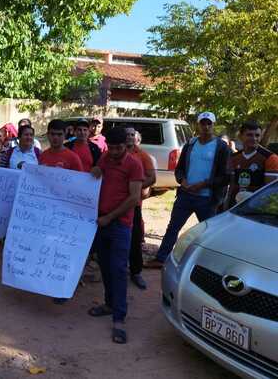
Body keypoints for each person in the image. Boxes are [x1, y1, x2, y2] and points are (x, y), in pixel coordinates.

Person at [145, 111, 231, 268]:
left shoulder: (221, 147)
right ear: (198, 125)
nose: (206, 126)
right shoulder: (191, 144)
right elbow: (179, 169)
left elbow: (226, 176)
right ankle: (161, 258)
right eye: (203, 123)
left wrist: (204, 184)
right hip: (186, 195)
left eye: (209, 123)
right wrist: (182, 181)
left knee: (208, 234)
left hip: (207, 199)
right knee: (173, 227)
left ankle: (209, 265)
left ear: (213, 125)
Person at [88, 126, 144, 345]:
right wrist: (95, 170)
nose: (113, 151)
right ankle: (109, 304)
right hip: (101, 222)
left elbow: (133, 198)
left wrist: (109, 217)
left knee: (119, 269)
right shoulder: (106, 157)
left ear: (126, 146)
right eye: (110, 147)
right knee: (104, 265)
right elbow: (97, 173)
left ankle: (119, 318)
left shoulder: (134, 164)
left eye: (118, 147)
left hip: (119, 224)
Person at [39, 119, 85, 304]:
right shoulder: (43, 156)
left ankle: (62, 289)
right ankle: (48, 283)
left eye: (59, 135)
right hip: (47, 213)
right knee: (48, 249)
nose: (56, 138)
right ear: (48, 135)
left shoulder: (73, 158)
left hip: (66, 214)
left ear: (64, 136)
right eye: (53, 134)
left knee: (63, 252)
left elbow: (82, 186)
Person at [125, 126, 156, 290]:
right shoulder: (113, 153)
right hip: (115, 204)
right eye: (127, 134)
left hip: (134, 205)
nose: (129, 137)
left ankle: (136, 272)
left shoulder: (143, 156)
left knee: (135, 239)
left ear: (136, 138)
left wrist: (135, 188)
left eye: (132, 135)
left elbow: (152, 177)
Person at [226, 121, 278, 208]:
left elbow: (270, 191)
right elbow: (232, 185)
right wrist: (227, 204)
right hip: (234, 206)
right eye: (249, 135)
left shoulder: (271, 158)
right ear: (240, 136)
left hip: (257, 209)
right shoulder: (233, 157)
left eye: (257, 135)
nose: (254, 138)